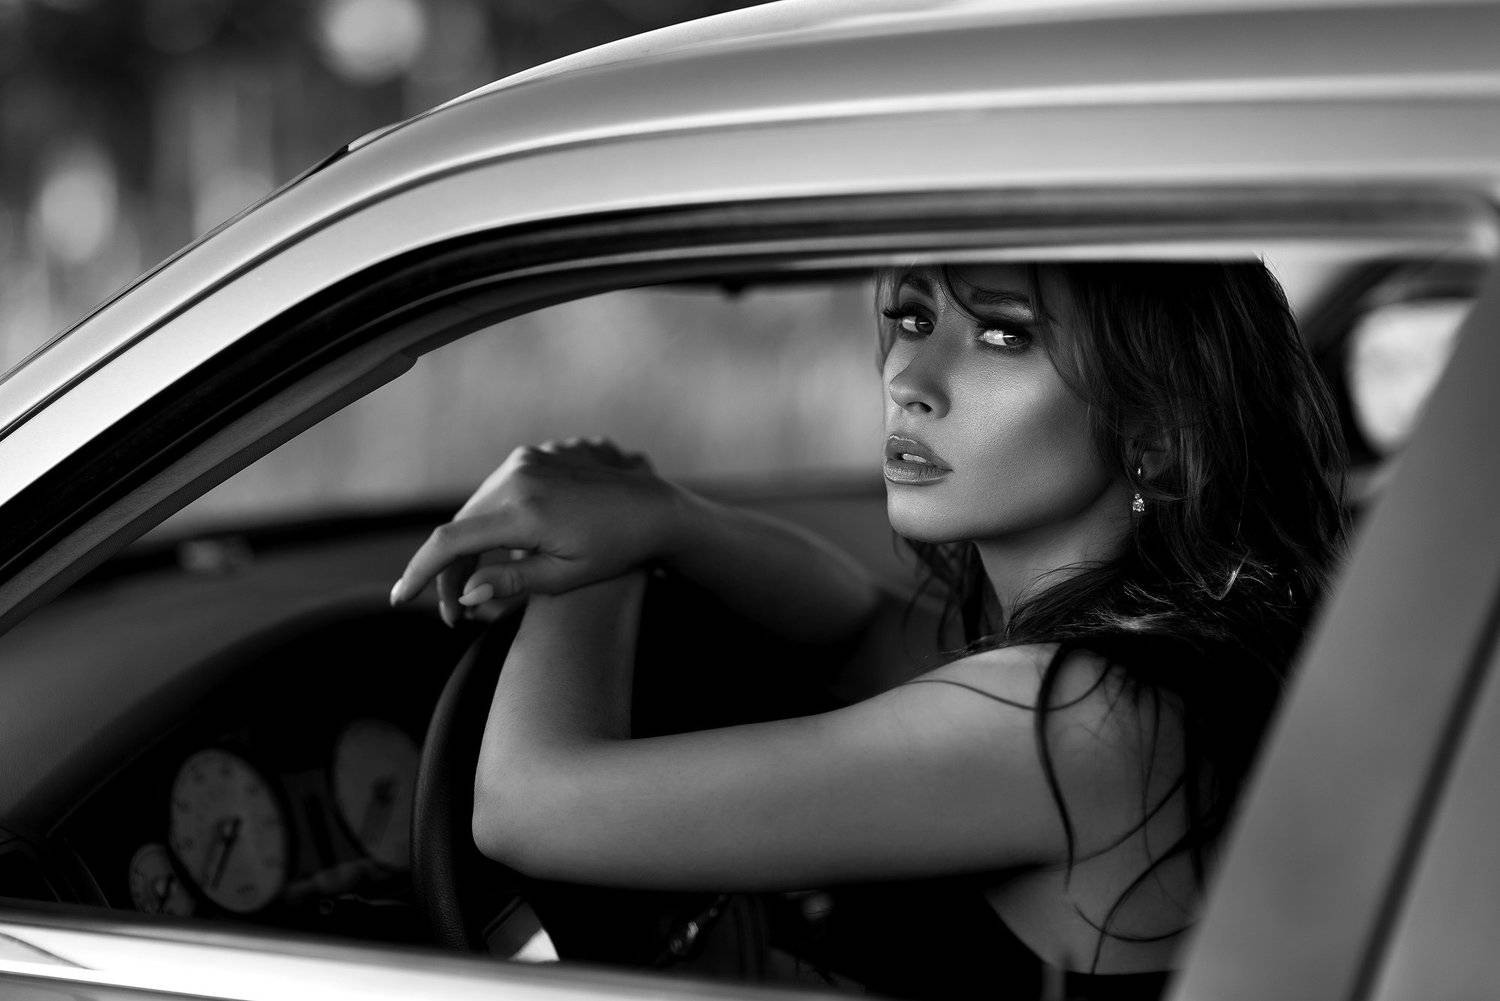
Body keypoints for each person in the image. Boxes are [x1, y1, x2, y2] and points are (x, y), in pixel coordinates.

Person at [389, 261, 1347, 998]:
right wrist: (663, 518)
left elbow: (528, 807)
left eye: (1003, 336)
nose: (910, 378)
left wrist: (588, 566)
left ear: (1156, 436)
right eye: (915, 319)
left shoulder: (1079, 715)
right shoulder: (1156, 662)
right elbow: (855, 629)